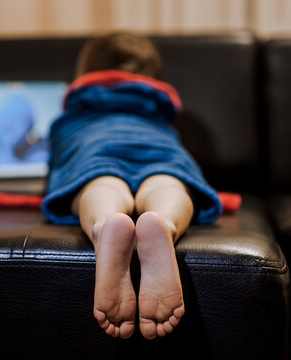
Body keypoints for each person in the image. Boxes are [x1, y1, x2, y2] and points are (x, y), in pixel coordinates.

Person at [42, 32, 222, 340]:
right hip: (159, 149)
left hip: (94, 148)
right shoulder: (158, 113)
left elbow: (56, 161)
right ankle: (164, 223)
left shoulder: (73, 116)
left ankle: (105, 224)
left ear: (85, 73)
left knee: (101, 183)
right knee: (166, 183)